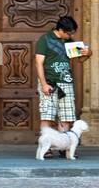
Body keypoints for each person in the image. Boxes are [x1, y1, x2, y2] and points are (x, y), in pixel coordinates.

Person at [35, 15, 91, 148]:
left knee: (66, 117)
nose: (71, 35)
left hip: (66, 82)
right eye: (69, 33)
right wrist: (43, 84)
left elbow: (79, 60)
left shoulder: (69, 42)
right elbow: (39, 62)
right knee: (47, 116)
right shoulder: (45, 40)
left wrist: (88, 53)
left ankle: (63, 147)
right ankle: (45, 148)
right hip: (50, 82)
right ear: (61, 30)